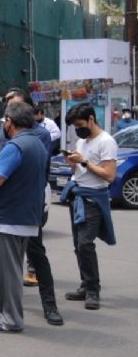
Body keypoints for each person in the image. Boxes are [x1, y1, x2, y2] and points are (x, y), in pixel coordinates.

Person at [0, 102, 47, 333]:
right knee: (7, 268)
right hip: (24, 215)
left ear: (9, 122)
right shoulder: (37, 144)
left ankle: (12, 318)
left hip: (9, 217)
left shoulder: (15, 146)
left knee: (9, 271)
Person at [61, 103, 118, 311]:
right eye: (75, 126)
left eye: (80, 124)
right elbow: (79, 170)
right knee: (78, 245)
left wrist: (84, 162)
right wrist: (72, 161)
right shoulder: (81, 141)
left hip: (93, 199)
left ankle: (93, 289)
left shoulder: (106, 141)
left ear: (92, 119)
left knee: (86, 244)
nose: (78, 129)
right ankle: (85, 285)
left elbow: (109, 175)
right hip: (77, 196)